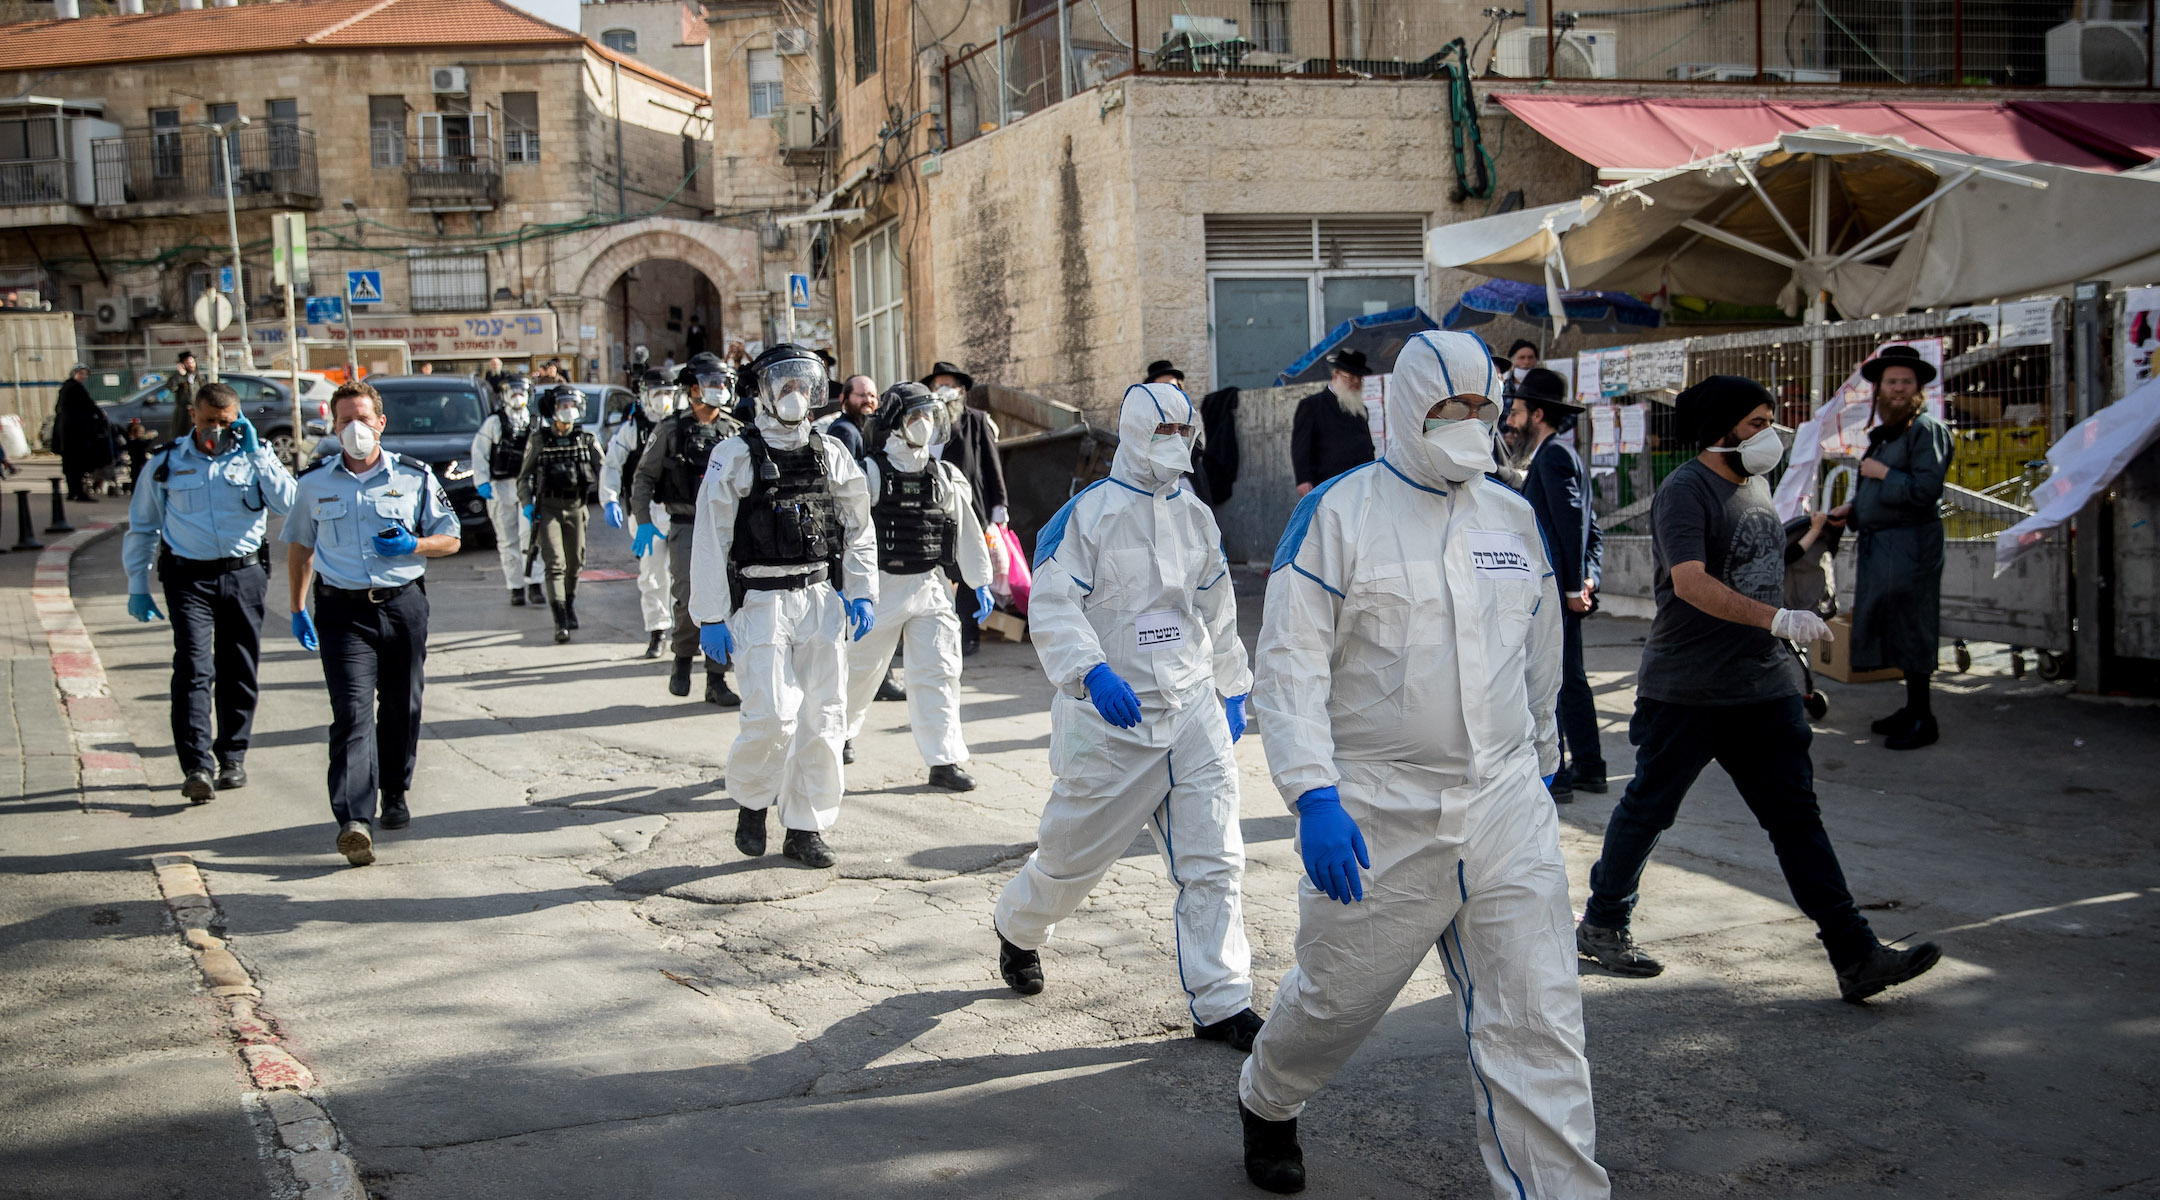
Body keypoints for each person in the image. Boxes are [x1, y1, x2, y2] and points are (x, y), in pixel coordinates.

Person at [1235, 330, 1606, 1199]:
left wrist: (1544, 757)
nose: (1471, 424)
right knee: (1334, 1003)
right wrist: (1313, 794)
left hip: (1506, 806)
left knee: (1537, 1021)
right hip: (1377, 815)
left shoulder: (1511, 515)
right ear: (1404, 409)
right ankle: (1268, 1096)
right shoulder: (1337, 515)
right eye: (1450, 408)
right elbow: (1289, 666)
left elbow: (1540, 648)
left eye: (1484, 407)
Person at [1575, 375, 1943, 1004]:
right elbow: (1690, 581)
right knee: (1649, 809)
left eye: (1771, 422)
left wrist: (1811, 533)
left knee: (1796, 819)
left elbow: (1761, 561)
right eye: (1755, 424)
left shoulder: (1757, 484)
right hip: (1689, 688)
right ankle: (1605, 923)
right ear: (1719, 430)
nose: (1769, 435)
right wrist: (1775, 619)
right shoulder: (1685, 491)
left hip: (1761, 687)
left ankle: (1855, 954)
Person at [991, 381, 1263, 1052]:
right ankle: (1019, 929)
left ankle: (1223, 1000)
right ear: (1137, 435)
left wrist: (1232, 686)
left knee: (1215, 860)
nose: (1175, 445)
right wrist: (1090, 669)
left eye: (1183, 433)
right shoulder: (1087, 516)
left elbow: (1217, 606)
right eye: (1161, 432)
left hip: (1191, 705)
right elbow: (1052, 602)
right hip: (1114, 720)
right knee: (1068, 861)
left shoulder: (1197, 516)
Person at [689, 343, 877, 869]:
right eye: (784, 384)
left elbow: (859, 527)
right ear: (763, 391)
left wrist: (861, 590)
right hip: (761, 600)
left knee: (824, 719)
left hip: (819, 598)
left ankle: (805, 825)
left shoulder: (831, 451)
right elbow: (710, 539)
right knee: (772, 716)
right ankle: (752, 802)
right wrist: (709, 615)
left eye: (804, 384)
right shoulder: (735, 455)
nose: (796, 395)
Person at [282, 381, 462, 866]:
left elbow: (451, 538)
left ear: (381, 423)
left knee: (403, 706)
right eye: (345, 421)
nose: (355, 429)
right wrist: (297, 606)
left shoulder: (414, 476)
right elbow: (299, 546)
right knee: (352, 714)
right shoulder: (314, 482)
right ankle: (354, 820)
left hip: (403, 605)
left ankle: (395, 791)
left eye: (363, 419)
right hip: (342, 612)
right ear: (333, 427)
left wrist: (414, 546)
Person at [121, 382, 297, 802]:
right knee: (194, 669)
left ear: (238, 419)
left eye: (225, 421)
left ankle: (232, 757)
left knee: (239, 668)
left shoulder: (257, 458)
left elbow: (290, 505)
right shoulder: (166, 464)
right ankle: (197, 766)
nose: (216, 429)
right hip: (188, 579)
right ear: (193, 416)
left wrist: (259, 454)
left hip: (245, 575)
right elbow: (144, 526)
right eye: (208, 421)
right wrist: (137, 584)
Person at [839, 383, 995, 789]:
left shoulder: (944, 475)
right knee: (860, 671)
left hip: (930, 584)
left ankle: (944, 760)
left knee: (940, 671)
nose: (923, 425)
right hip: (879, 588)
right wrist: (848, 588)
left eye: (929, 416)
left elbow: (967, 530)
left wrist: (979, 581)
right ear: (894, 423)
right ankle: (837, 736)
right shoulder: (868, 473)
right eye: (914, 417)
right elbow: (849, 533)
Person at [1832, 345, 1953, 751]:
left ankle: (1924, 718)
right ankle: (1911, 707)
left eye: (1906, 382)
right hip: (1884, 544)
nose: (1898, 389)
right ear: (1879, 389)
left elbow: (1925, 490)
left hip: (1911, 543)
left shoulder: (1925, 430)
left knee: (1913, 626)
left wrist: (1883, 472)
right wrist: (1851, 509)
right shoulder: (1891, 431)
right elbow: (1877, 489)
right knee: (1895, 626)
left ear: (1918, 388)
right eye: (1891, 382)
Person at [1504, 366, 1606, 803]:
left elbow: (1571, 527)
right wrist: (1588, 576)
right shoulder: (1560, 455)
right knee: (1571, 680)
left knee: (1552, 682)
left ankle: (1560, 775)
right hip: (1566, 591)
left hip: (1556, 597)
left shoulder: (1554, 457)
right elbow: (1590, 529)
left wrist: (1569, 587)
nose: (1511, 420)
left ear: (1538, 414)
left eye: (1519, 411)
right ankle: (1589, 768)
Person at [632, 355, 741, 706]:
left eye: (724, 383)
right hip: (686, 525)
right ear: (694, 389)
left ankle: (716, 678)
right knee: (688, 597)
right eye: (713, 383)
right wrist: (644, 521)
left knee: (725, 601)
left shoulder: (734, 430)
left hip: (727, 529)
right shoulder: (670, 429)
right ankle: (681, 660)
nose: (720, 390)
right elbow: (644, 477)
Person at [921, 360, 1007, 656]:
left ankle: (969, 635)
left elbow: (991, 465)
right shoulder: (924, 419)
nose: (945, 391)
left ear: (961, 390)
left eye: (950, 385)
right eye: (939, 385)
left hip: (970, 506)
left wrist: (999, 505)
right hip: (932, 508)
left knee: (972, 570)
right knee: (940, 568)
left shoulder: (976, 420)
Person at [602, 368, 678, 658]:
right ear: (645, 395)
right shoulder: (633, 429)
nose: (663, 400)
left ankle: (688, 631)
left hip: (681, 510)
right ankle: (658, 631)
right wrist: (609, 500)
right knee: (653, 574)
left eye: (668, 393)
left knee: (685, 575)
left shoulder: (682, 425)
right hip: (647, 513)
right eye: (657, 393)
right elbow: (612, 466)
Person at [518, 384, 603, 643]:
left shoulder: (586, 439)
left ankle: (569, 602)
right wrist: (527, 504)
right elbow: (524, 478)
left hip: (577, 507)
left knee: (575, 562)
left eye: (572, 406)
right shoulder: (540, 440)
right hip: (549, 508)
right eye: (563, 406)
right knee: (555, 563)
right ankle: (560, 618)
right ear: (552, 410)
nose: (569, 411)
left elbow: (605, 471)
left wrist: (612, 499)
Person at [469, 376, 544, 606]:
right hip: (500, 487)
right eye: (512, 391)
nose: (517, 396)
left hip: (527, 488)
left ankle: (534, 583)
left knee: (529, 537)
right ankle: (515, 587)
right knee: (506, 540)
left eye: (521, 391)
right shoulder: (494, 423)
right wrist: (482, 481)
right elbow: (479, 453)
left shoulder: (536, 423)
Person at [1289, 347, 1374, 498]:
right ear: (1336, 375)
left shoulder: (1361, 410)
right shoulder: (1312, 406)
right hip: (1328, 486)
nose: (1355, 382)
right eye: (1350, 376)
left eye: (1359, 378)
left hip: (1361, 486)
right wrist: (1303, 479)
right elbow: (1301, 447)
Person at [53, 363, 113, 502]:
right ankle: (79, 492)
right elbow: (88, 405)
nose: (83, 377)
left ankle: (72, 491)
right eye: (81, 373)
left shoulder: (66, 388)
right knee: (77, 463)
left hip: (66, 432)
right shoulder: (75, 388)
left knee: (69, 463)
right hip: (75, 432)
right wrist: (99, 414)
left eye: (85, 374)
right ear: (74, 373)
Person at [820, 373, 877, 461]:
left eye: (872, 396)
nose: (868, 400)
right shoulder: (843, 431)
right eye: (862, 395)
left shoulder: (866, 429)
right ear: (843, 398)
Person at [167, 351, 201, 438]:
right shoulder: (178, 378)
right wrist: (181, 375)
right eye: (188, 363)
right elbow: (171, 387)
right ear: (182, 364)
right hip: (183, 415)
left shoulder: (198, 378)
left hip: (197, 413)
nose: (191, 365)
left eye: (192, 362)